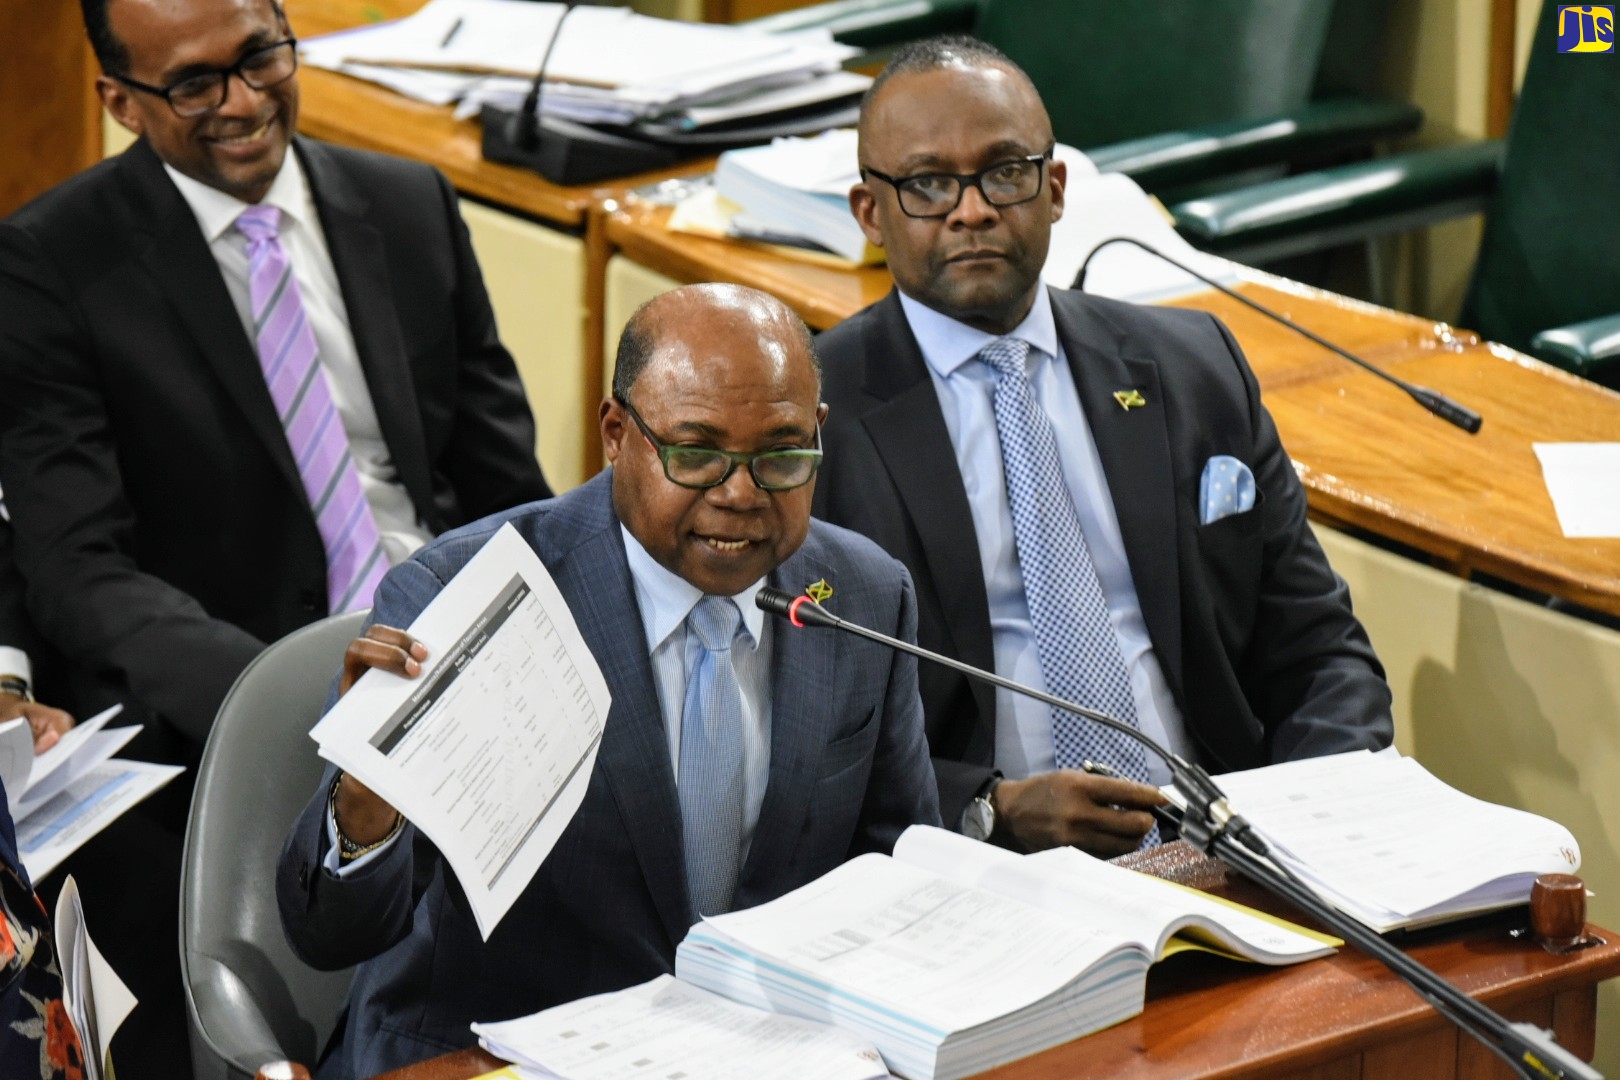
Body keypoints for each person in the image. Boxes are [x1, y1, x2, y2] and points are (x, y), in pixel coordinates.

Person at [277, 283, 940, 1078]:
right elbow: (334, 937)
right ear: (617, 434)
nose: (739, 493)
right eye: (696, 453)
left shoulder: (862, 594)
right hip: (499, 1055)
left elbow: (895, 880)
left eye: (781, 454)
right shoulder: (466, 597)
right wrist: (366, 805)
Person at [814, 36, 1394, 859]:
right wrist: (991, 810)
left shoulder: (1196, 368)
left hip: (1233, 847)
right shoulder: (812, 415)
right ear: (871, 213)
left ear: (1053, 190)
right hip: (981, 870)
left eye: (1005, 172)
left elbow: (1320, 651)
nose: (972, 210)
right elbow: (799, 732)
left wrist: (1309, 826)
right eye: (929, 184)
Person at [0, 0, 550, 761]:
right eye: (196, 84)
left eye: (261, 57)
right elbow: (77, 570)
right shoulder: (49, 265)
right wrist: (296, 688)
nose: (247, 101)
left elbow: (507, 488)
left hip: (453, 655)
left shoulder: (410, 203)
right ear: (121, 103)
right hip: (242, 695)